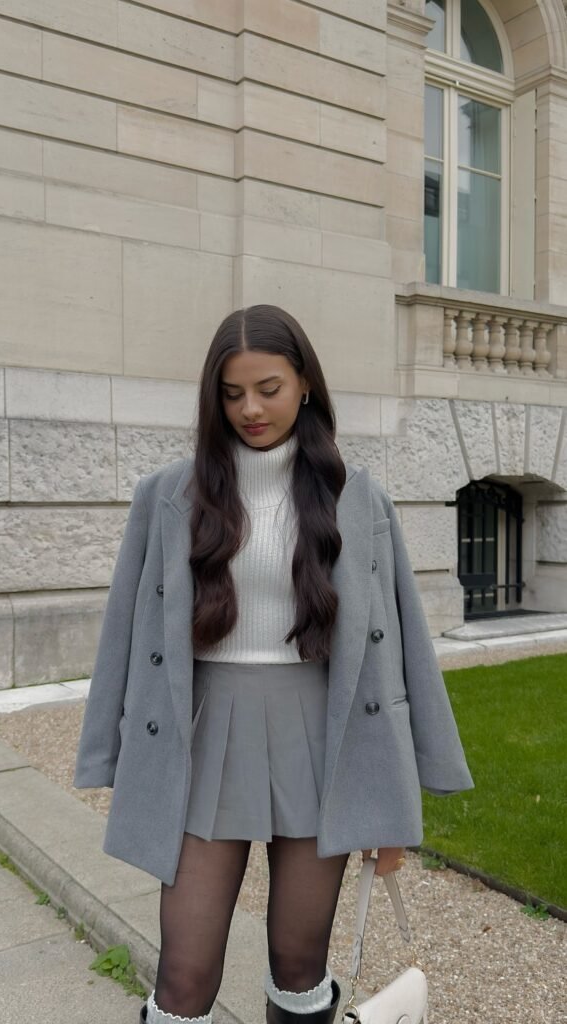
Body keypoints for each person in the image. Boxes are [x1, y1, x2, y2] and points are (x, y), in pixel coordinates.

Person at [74, 304, 474, 1024]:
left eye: (268, 388)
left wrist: (396, 793)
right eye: (231, 394)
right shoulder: (167, 495)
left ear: (305, 387)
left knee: (298, 966)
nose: (249, 409)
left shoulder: (358, 497)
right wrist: (105, 748)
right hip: (205, 738)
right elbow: (125, 635)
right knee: (183, 976)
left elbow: (402, 641)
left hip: (320, 742)